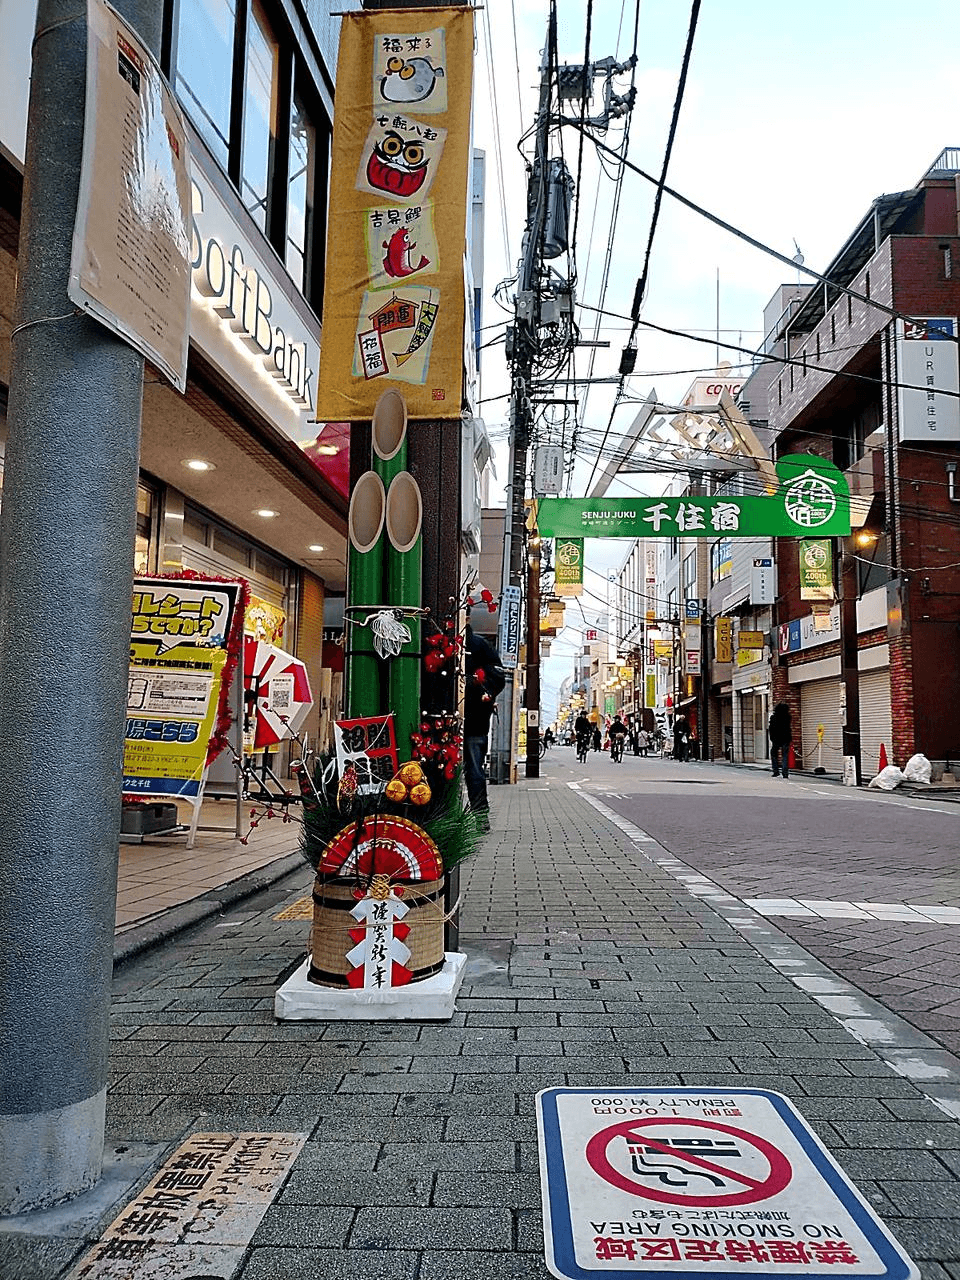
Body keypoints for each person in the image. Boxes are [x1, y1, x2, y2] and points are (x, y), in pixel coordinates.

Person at [464, 622, 506, 827]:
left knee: (474, 769)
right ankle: (444, 815)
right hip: (453, 717)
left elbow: (498, 675)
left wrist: (479, 688)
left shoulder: (479, 644)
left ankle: (480, 815)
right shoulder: (441, 640)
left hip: (475, 719)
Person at [769, 701, 793, 779]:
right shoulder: (788, 717)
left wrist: (772, 738)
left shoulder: (774, 717)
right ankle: (785, 773)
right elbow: (788, 728)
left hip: (776, 739)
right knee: (785, 755)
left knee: (773, 754)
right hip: (785, 738)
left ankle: (776, 771)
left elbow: (771, 728)